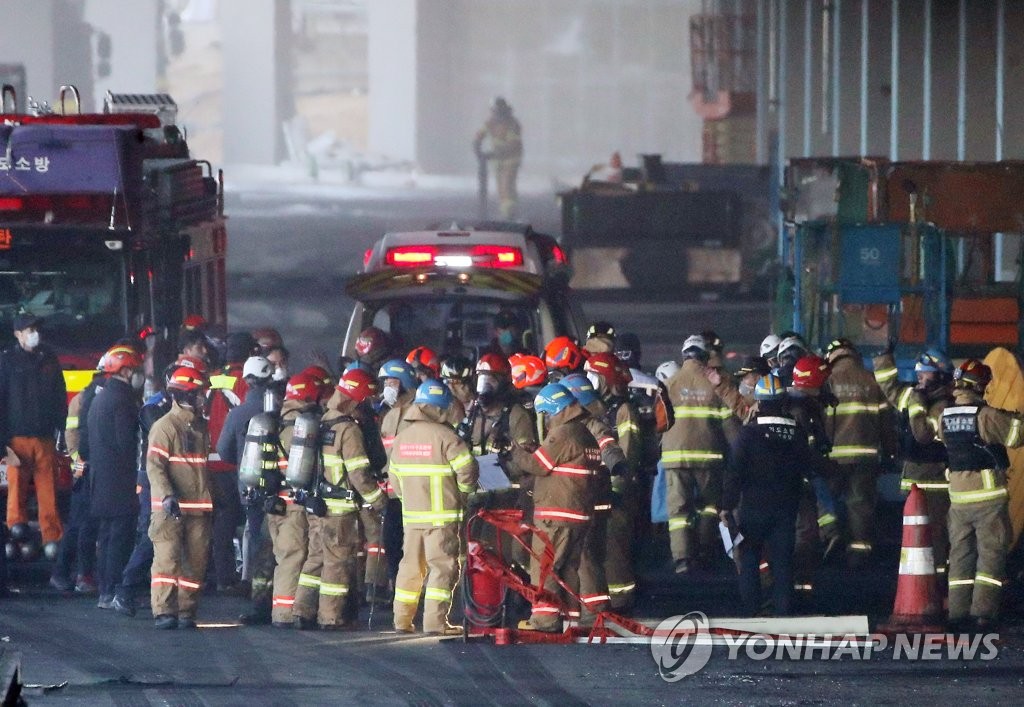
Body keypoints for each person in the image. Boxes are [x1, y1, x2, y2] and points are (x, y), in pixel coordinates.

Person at [294, 369, 386, 630]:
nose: (365, 406)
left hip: (317, 507)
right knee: (337, 564)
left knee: (315, 559)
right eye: (364, 401)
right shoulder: (348, 429)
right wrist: (378, 500)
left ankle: (302, 612)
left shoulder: (323, 422)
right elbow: (359, 474)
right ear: (355, 400)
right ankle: (330, 618)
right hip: (340, 511)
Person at [721, 374, 820, 616]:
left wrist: (726, 506)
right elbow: (809, 466)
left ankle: (752, 612)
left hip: (753, 508)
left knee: (750, 560)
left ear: (759, 401)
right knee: (783, 563)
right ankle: (783, 612)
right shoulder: (796, 433)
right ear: (782, 401)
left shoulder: (747, 434)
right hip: (786, 508)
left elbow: (734, 473)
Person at [389, 380, 479, 635]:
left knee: (409, 568)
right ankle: (435, 623)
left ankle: (402, 621)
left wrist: (411, 501)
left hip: (412, 518)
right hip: (442, 519)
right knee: (441, 569)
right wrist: (464, 495)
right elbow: (468, 471)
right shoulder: (447, 438)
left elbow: (394, 480)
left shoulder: (402, 438)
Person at [939, 360, 1024, 631]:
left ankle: (957, 613)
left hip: (958, 499)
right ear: (980, 385)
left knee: (961, 555)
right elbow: (1016, 436)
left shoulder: (945, 416)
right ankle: (983, 614)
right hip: (988, 498)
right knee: (991, 554)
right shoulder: (986, 416)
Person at [510, 383, 600, 632]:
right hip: (578, 514)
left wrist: (516, 453)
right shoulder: (585, 433)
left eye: (547, 414)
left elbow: (539, 466)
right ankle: (570, 618)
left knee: (545, 568)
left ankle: (545, 620)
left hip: (557, 515)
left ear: (555, 409)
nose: (547, 420)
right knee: (567, 570)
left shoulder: (563, 433)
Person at [873, 344, 954, 577]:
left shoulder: (943, 406)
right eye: (918, 373)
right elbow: (891, 390)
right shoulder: (918, 396)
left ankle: (936, 581)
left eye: (925, 373)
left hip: (935, 483)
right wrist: (883, 358)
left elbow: (922, 434)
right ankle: (920, 579)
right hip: (916, 480)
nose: (919, 377)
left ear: (940, 375)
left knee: (935, 535)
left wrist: (917, 402)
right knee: (916, 534)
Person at [661, 334, 736, 573]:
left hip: (675, 456)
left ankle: (682, 559)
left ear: (684, 357)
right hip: (708, 455)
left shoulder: (670, 383)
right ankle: (704, 549)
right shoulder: (715, 383)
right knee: (708, 505)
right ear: (705, 356)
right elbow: (729, 424)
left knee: (678, 511)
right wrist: (737, 453)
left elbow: (658, 421)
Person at [147, 365, 212, 630]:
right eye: (199, 393)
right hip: (170, 510)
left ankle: (186, 611)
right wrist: (166, 496)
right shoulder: (164, 427)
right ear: (185, 395)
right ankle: (164, 611)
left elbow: (203, 467)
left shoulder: (201, 428)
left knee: (195, 564)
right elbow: (155, 466)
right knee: (167, 560)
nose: (203, 398)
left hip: (199, 510)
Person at [823, 337, 895, 568]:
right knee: (860, 504)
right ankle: (859, 554)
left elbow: (824, 421)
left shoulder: (829, 380)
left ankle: (830, 533)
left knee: (823, 498)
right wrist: (891, 452)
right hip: (867, 456)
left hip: (834, 457)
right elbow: (886, 422)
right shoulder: (871, 381)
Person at [216, 355, 278, 623]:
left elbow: (223, 450)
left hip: (250, 488)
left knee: (256, 538)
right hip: (283, 487)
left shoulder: (238, 413)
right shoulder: (282, 409)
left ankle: (257, 592)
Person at [0, 314, 67, 555]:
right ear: (17, 334)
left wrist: (60, 429)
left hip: (45, 437)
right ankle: (16, 527)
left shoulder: (48, 358)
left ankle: (52, 535)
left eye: (35, 329)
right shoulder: (6, 362)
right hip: (16, 439)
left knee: (48, 489)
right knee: (16, 488)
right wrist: (3, 446)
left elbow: (60, 394)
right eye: (29, 330)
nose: (34, 334)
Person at [87, 345, 144, 609]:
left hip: (101, 480)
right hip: (120, 482)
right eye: (134, 370)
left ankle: (104, 592)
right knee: (119, 539)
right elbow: (127, 444)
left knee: (107, 536)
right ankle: (112, 591)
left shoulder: (99, 398)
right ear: (125, 371)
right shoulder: (123, 401)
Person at [206, 331, 258, 595]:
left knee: (221, 524)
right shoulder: (245, 383)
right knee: (251, 522)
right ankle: (247, 578)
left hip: (210, 462)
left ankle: (223, 577)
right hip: (237, 462)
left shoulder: (212, 378)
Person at [50, 363, 103, 594]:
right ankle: (76, 574)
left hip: (85, 467)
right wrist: (77, 461)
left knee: (81, 524)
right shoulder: (83, 400)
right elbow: (72, 434)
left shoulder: (88, 397)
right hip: (85, 468)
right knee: (83, 524)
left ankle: (68, 574)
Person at [472, 96, 523, 219]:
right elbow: (479, 135)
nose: (496, 114)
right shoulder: (490, 122)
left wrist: (495, 153)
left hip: (511, 159)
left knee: (507, 184)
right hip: (498, 160)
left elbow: (513, 145)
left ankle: (510, 213)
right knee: (501, 187)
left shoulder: (512, 124)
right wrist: (477, 147)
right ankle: (507, 211)